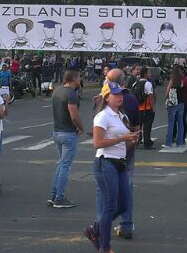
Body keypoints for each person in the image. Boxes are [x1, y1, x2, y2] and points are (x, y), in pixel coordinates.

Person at [84, 82, 140, 253]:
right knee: (109, 206)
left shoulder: (122, 116)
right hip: (105, 162)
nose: (120, 96)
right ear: (107, 97)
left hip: (120, 162)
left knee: (123, 205)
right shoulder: (103, 116)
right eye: (116, 94)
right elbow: (97, 143)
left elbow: (124, 143)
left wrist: (131, 140)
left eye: (122, 93)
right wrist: (123, 138)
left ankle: (95, 229)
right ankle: (104, 247)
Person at [49, 70, 84, 209]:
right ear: (74, 78)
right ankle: (59, 197)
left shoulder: (57, 92)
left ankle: (53, 194)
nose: (80, 80)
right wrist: (81, 127)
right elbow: (74, 116)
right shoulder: (71, 95)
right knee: (65, 166)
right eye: (79, 77)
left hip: (57, 131)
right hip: (68, 133)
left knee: (61, 164)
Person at [135, 67, 156, 149]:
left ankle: (136, 141)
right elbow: (151, 96)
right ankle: (147, 143)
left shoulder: (136, 83)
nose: (150, 74)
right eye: (149, 73)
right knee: (147, 127)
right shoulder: (148, 84)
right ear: (145, 74)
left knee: (137, 127)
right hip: (146, 108)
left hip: (137, 109)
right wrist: (153, 107)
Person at [165, 68, 185, 148]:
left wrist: (167, 98)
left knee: (171, 123)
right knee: (180, 123)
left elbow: (167, 93)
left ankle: (168, 142)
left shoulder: (172, 81)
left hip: (173, 104)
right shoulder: (182, 81)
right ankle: (179, 142)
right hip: (181, 103)